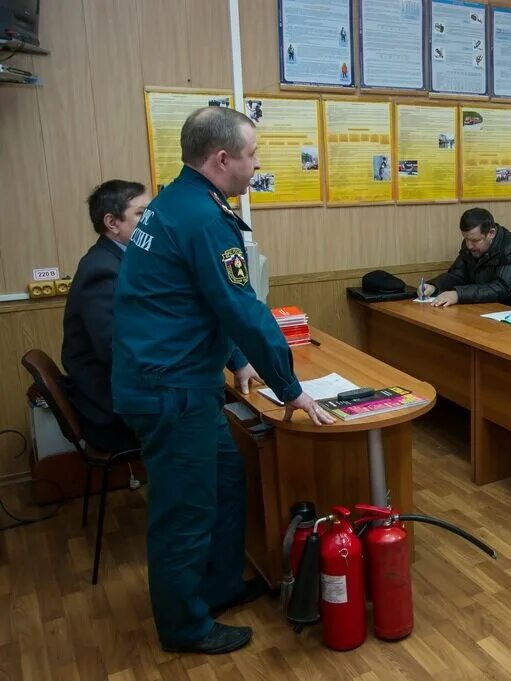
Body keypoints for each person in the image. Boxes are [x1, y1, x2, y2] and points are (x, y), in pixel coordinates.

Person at [111, 106, 333, 655]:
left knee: (226, 481)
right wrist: (291, 388)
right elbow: (241, 306)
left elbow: (201, 299)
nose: (256, 165)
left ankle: (214, 587)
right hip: (171, 389)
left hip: (174, 380)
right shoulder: (205, 218)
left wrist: (236, 359)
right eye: (253, 154)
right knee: (183, 512)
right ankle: (185, 626)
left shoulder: (180, 201)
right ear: (222, 158)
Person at [61, 180, 151, 453]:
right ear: (113, 223)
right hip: (110, 410)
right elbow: (115, 350)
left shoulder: (121, 260)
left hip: (122, 393)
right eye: (141, 213)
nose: (151, 221)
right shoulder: (103, 270)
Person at [419, 208, 511, 308]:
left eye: (475, 241)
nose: (469, 246)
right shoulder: (470, 246)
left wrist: (458, 295)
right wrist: (435, 286)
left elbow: (502, 288)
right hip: (483, 306)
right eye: (466, 239)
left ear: (491, 233)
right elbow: (457, 274)